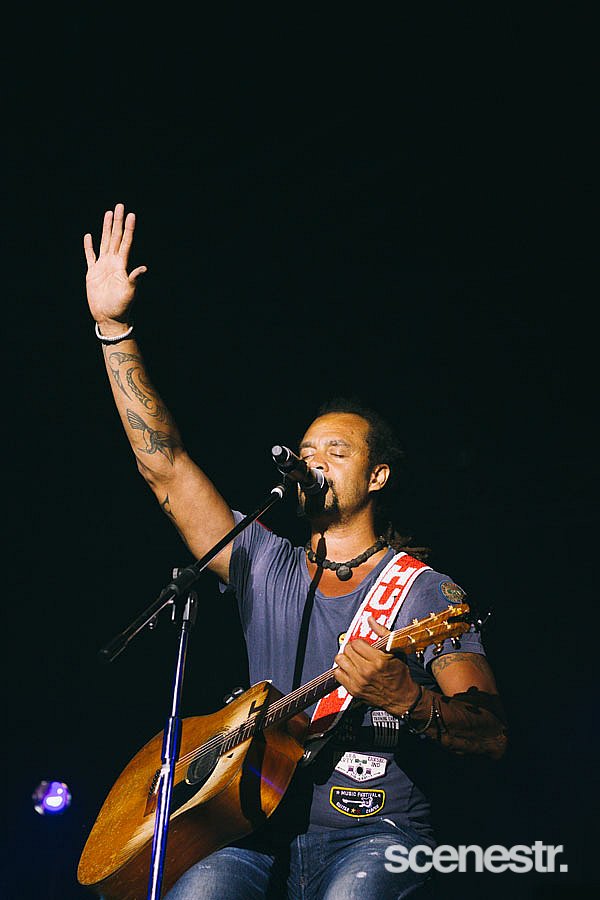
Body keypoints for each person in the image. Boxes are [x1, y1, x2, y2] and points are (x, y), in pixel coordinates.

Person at [83, 203, 508, 899]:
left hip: (375, 832)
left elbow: (490, 734)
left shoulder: (423, 591)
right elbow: (165, 467)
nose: (315, 462)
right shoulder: (264, 562)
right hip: (249, 829)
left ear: (378, 477)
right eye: (308, 451)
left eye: (336, 452)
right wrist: (113, 330)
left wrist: (407, 698)